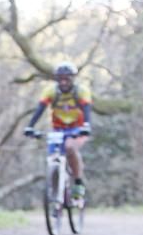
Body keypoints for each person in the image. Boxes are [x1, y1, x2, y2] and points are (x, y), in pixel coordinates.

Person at [23, 61, 93, 199]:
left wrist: (86, 126)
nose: (64, 82)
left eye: (67, 78)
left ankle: (78, 182)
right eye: (61, 79)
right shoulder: (51, 91)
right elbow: (40, 109)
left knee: (70, 148)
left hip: (77, 128)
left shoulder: (81, 92)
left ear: (73, 79)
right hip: (58, 129)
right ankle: (56, 196)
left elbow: (87, 110)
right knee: (53, 156)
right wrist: (30, 126)